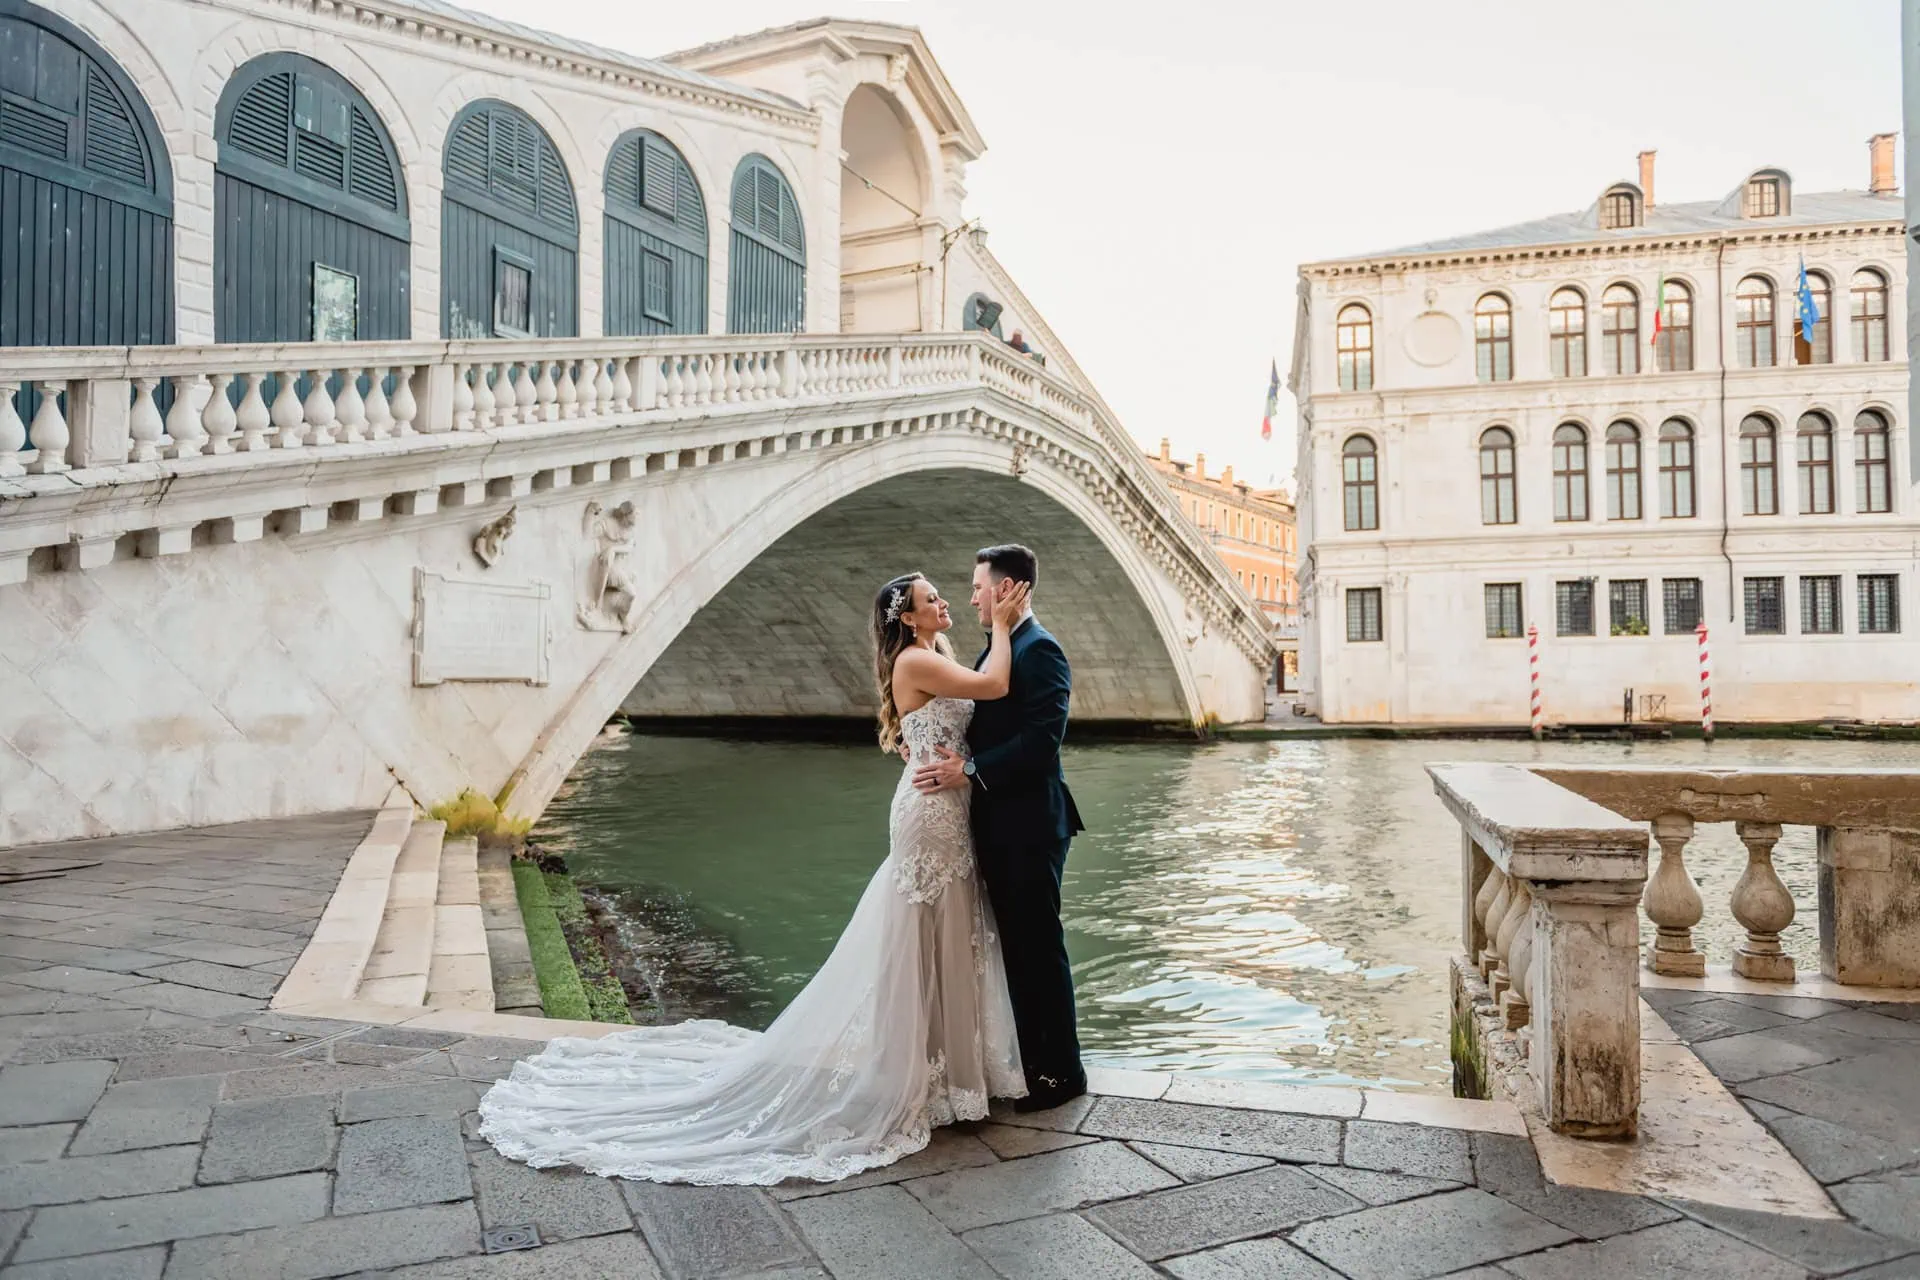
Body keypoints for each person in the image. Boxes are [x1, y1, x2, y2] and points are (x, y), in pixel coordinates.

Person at [476, 569, 1036, 1185]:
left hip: (945, 802)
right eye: (933, 599)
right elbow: (995, 684)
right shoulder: (913, 661)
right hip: (929, 816)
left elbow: (951, 718)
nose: (946, 601)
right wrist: (1006, 624)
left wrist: (935, 748)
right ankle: (925, 1077)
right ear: (907, 617)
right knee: (925, 933)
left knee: (950, 936)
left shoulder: (932, 652)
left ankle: (949, 1074)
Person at [913, 544, 1086, 1111]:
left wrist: (970, 769)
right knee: (1015, 949)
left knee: (1038, 949)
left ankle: (1062, 1073)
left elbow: (1042, 744)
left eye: (978, 586)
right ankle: (1033, 1066)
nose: (971, 597)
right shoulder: (1003, 646)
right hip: (999, 824)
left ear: (1008, 589)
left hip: (1032, 827)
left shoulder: (1042, 651)